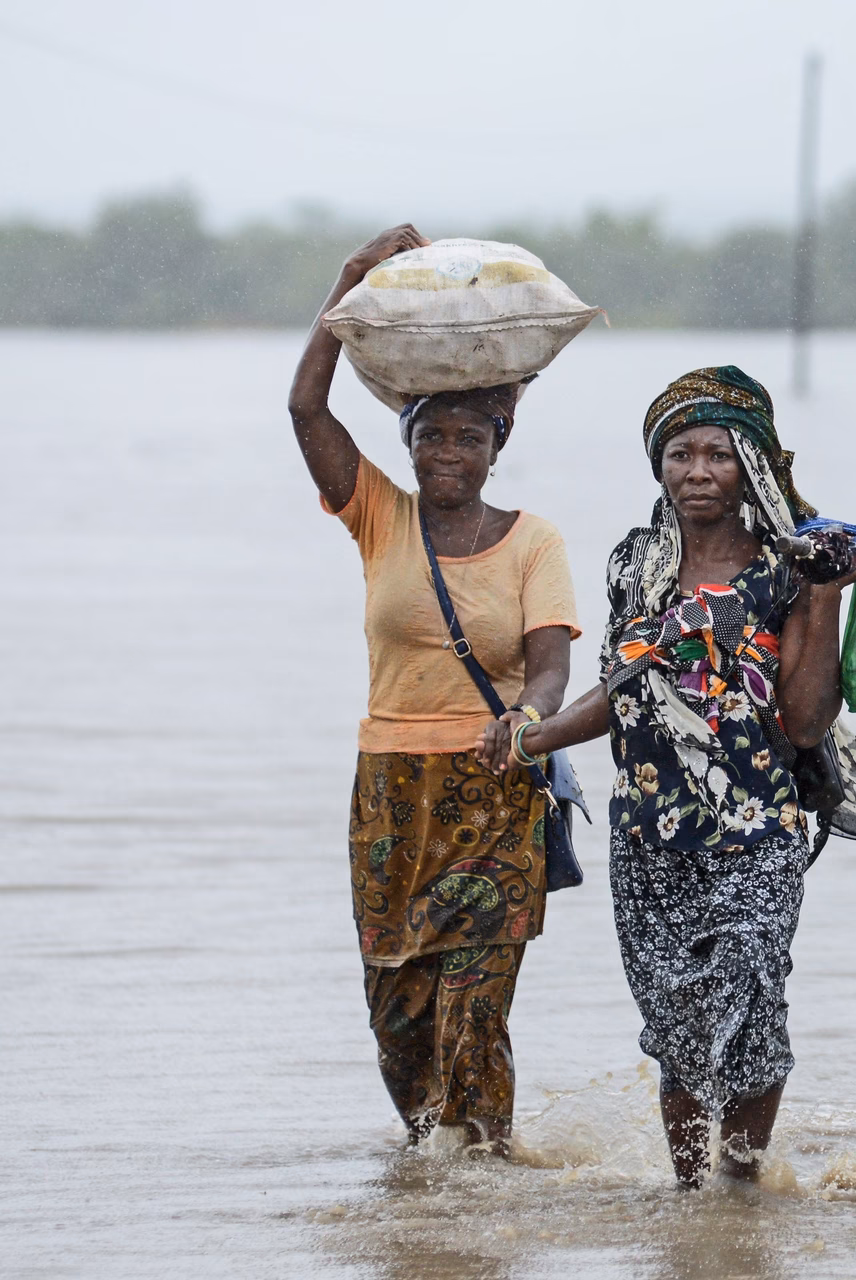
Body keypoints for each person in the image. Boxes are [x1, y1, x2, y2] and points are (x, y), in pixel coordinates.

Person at [496, 366, 856, 1187]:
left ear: (752, 466)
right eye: (679, 453)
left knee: (747, 1001)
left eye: (717, 454)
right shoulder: (634, 564)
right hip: (648, 834)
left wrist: (823, 599)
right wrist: (533, 740)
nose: (697, 471)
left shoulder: (789, 567)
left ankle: (741, 1188)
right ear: (657, 464)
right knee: (676, 1020)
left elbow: (807, 721)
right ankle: (690, 1192)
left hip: (756, 832)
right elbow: (618, 690)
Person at [287, 224, 581, 1154]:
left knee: (473, 1007)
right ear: (409, 444)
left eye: (468, 436)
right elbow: (305, 411)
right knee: (398, 1008)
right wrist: (347, 285)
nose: (448, 452)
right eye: (432, 435)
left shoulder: (534, 540)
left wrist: (531, 720)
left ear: (497, 446)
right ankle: (432, 1176)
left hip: (494, 790)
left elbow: (550, 664)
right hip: (389, 796)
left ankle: (486, 1171)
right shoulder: (380, 516)